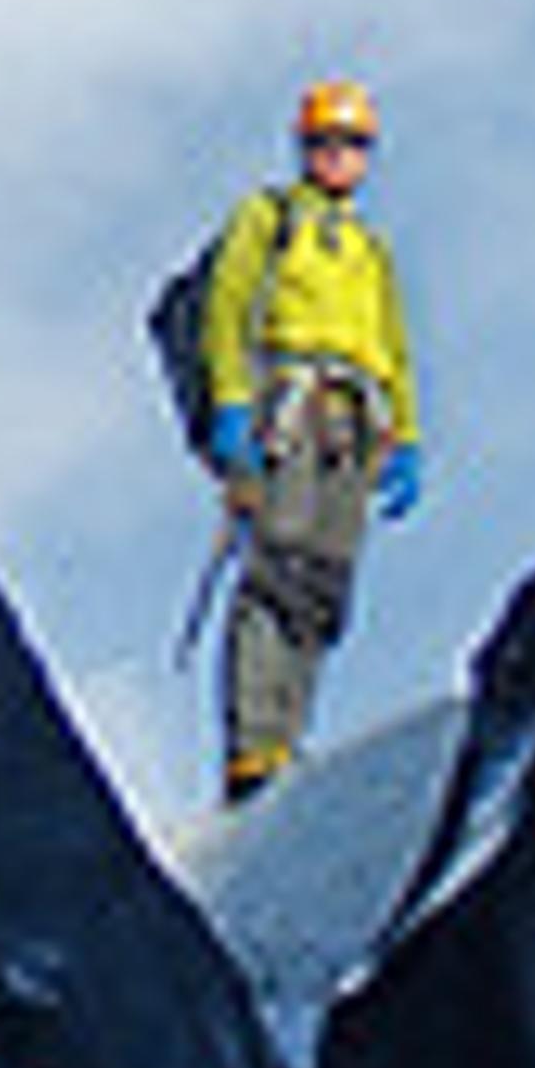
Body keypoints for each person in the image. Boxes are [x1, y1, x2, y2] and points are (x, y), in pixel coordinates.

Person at [200, 77, 424, 805]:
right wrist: (232, 400)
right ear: (304, 147)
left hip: (355, 421)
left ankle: (288, 737)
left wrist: (408, 435)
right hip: (289, 404)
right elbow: (228, 307)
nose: (339, 155)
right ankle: (252, 746)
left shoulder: (370, 249)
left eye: (353, 143)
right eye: (327, 141)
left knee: (324, 582)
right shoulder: (269, 218)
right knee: (276, 567)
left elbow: (393, 347)